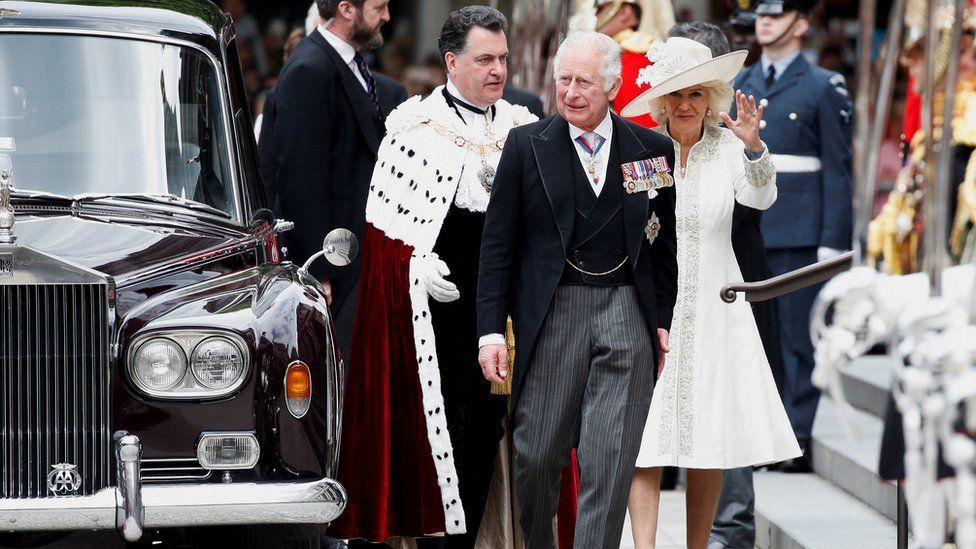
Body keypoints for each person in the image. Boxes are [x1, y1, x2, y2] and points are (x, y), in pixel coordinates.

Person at [330, 6, 538, 545]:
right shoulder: (413, 129)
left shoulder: (523, 126)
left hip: (503, 310)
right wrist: (412, 264)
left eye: (503, 59)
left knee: (489, 436)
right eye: (485, 59)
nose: (499, 70)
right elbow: (382, 233)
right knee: (439, 435)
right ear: (451, 61)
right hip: (434, 314)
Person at [477, 30, 678, 548]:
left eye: (584, 81)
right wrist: (490, 334)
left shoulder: (651, 150)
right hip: (552, 311)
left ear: (612, 85)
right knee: (537, 454)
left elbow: (665, 247)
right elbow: (497, 247)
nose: (570, 92)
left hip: (626, 310)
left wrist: (661, 321)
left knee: (609, 460)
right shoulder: (526, 146)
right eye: (562, 80)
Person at [619, 36, 800, 549]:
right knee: (646, 442)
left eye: (696, 94)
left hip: (719, 310)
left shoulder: (728, 149)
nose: (683, 105)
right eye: (674, 95)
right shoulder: (644, 151)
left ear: (712, 99)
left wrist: (755, 148)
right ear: (659, 100)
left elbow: (761, 197)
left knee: (707, 442)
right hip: (653, 308)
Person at [663, 22, 785, 549]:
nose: (690, 96)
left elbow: (759, 197)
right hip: (667, 291)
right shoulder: (653, 142)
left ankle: (730, 531)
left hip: (735, 279)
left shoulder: (735, 136)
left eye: (700, 84)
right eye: (679, 84)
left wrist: (753, 148)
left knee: (730, 407)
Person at [735, 0, 853, 472]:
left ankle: (796, 434)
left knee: (797, 339)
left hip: (801, 228)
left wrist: (833, 240)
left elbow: (839, 170)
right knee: (758, 339)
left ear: (801, 24)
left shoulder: (824, 86)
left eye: (777, 13)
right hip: (751, 225)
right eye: (759, 14)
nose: (764, 21)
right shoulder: (741, 83)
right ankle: (766, 437)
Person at [258, 0, 406, 362]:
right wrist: (320, 270)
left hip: (354, 258)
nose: (386, 16)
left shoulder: (345, 62)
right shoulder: (310, 67)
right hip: (333, 268)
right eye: (379, 7)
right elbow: (300, 179)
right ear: (346, 9)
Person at [568, 0, 675, 128]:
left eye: (600, 10)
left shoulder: (630, 60)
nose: (595, 17)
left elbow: (640, 127)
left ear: (625, 12)